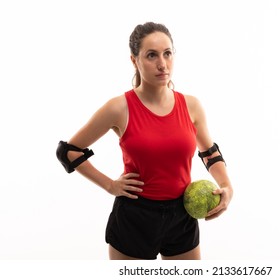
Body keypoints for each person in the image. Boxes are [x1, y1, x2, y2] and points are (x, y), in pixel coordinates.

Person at [56, 22, 233, 260]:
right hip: (134, 217)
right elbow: (68, 151)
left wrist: (227, 186)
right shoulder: (119, 108)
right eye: (152, 55)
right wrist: (110, 185)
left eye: (167, 53)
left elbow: (209, 152)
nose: (162, 63)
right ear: (134, 60)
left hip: (183, 215)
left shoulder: (191, 106)